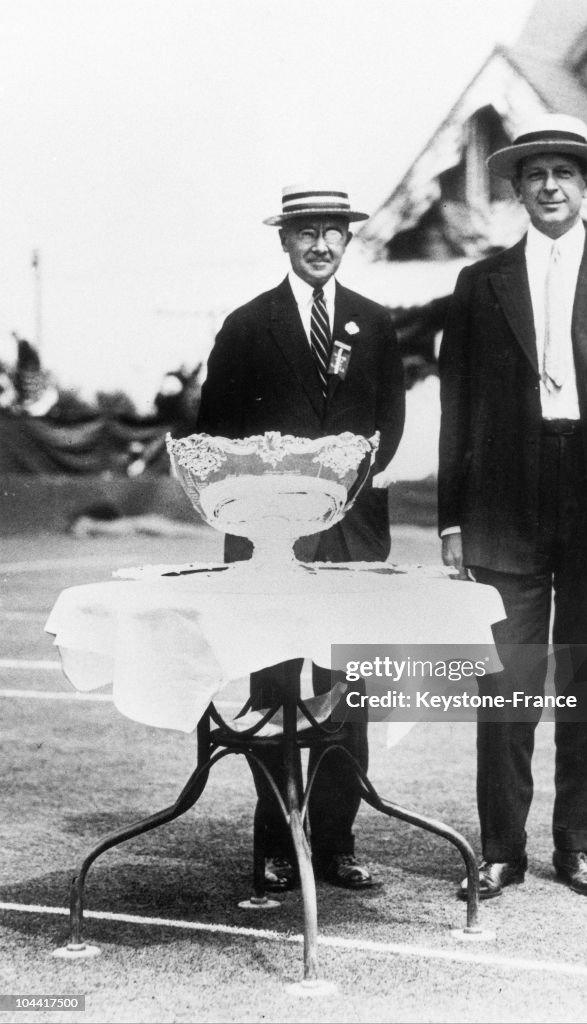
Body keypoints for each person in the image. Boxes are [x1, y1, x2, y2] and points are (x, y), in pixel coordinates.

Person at [438, 114, 587, 899]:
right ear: (515, 188)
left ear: (586, 186)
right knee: (505, 682)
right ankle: (501, 848)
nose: (548, 186)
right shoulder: (479, 283)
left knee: (584, 677)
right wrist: (451, 518)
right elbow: (457, 406)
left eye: (563, 173)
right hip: (504, 499)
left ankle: (575, 843)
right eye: (534, 173)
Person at [196, 184, 405, 890]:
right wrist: (275, 500)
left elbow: (391, 422)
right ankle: (278, 843)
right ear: (284, 240)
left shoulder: (374, 323)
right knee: (276, 688)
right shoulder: (247, 325)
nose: (321, 244)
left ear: (349, 240)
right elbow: (217, 434)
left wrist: (340, 487)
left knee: (351, 689)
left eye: (333, 232)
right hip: (269, 538)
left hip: (352, 531)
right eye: (307, 232)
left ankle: (337, 842)